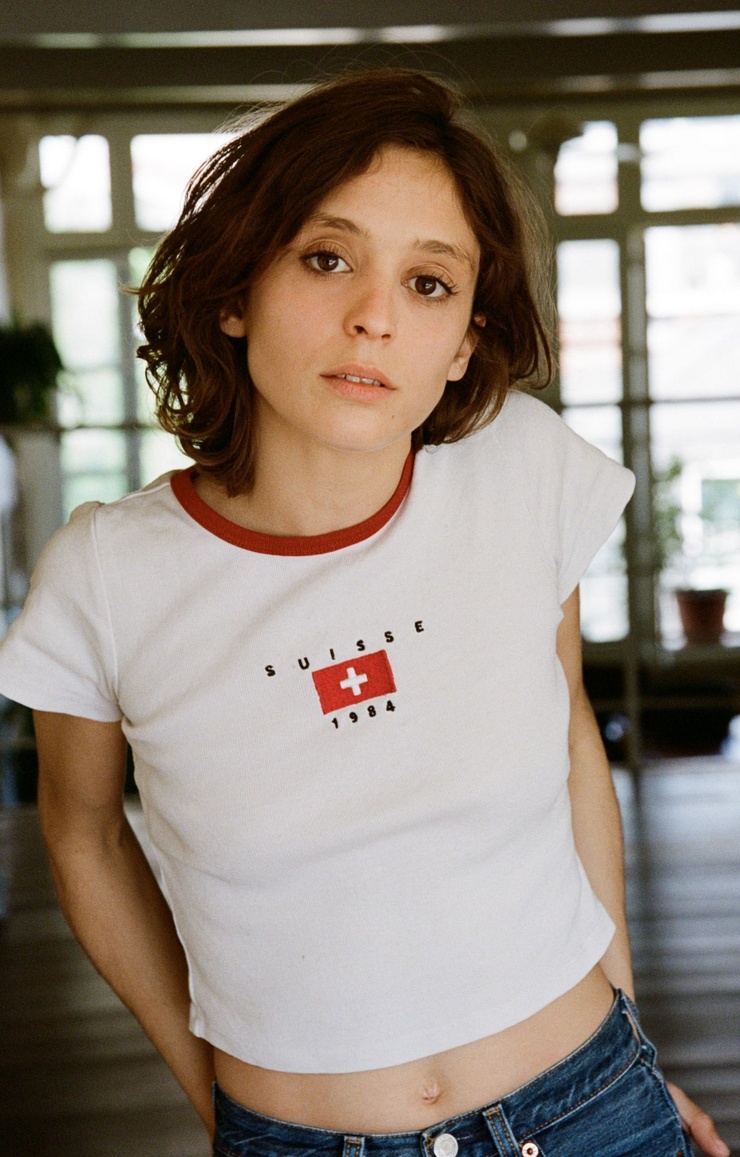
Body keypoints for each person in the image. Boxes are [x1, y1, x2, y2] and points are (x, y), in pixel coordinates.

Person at [0, 70, 728, 1157]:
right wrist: (229, 1110)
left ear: (465, 340)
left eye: (429, 283)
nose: (374, 317)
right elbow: (84, 833)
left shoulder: (520, 469)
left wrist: (630, 1038)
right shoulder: (107, 573)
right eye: (327, 258)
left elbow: (571, 735)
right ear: (235, 291)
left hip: (594, 1107)